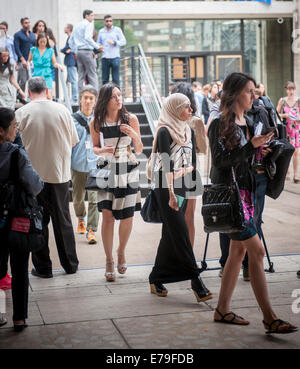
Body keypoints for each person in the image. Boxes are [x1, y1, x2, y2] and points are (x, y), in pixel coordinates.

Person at [208, 72, 297, 334]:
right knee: (256, 252)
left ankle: (222, 309)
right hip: (233, 199)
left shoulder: (248, 120)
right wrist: (251, 146)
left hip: (250, 194)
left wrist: (262, 150)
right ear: (235, 93)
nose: (254, 96)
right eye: (249, 91)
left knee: (238, 253)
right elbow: (221, 162)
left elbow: (245, 158)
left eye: (254, 91)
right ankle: (269, 318)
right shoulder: (219, 123)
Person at [148, 93, 212, 302]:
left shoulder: (188, 131)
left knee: (170, 233)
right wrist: (172, 192)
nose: (191, 110)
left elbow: (193, 162)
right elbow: (165, 165)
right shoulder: (165, 131)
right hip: (166, 188)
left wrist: (183, 173)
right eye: (186, 107)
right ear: (175, 109)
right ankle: (196, 282)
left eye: (190, 106)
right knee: (181, 230)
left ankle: (156, 277)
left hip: (183, 185)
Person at [15, 77, 79, 278]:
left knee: (37, 221)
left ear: (28, 91)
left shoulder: (21, 113)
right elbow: (73, 142)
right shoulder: (62, 110)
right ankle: (70, 265)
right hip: (59, 174)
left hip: (32, 178)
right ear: (47, 90)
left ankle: (43, 268)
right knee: (64, 221)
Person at [90, 83, 143, 282]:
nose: (119, 99)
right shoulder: (96, 121)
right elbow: (94, 146)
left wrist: (134, 135)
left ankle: (121, 251)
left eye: (120, 95)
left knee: (127, 216)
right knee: (108, 216)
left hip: (127, 168)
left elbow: (139, 149)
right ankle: (109, 259)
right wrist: (101, 151)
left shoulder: (131, 119)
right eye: (114, 96)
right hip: (106, 168)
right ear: (105, 100)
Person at [0, 107, 43, 331]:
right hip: (17, 219)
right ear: (2, 130)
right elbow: (35, 185)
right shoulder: (17, 153)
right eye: (14, 125)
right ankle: (19, 317)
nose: (17, 128)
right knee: (19, 268)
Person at [171, 82, 206, 247]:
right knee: (189, 216)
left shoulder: (166, 121)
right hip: (189, 171)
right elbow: (202, 148)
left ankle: (183, 256)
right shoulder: (196, 121)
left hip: (177, 172)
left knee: (176, 217)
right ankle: (189, 256)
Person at [71, 85, 99, 244]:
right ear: (80, 100)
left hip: (95, 166)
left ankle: (91, 230)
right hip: (78, 164)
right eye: (85, 97)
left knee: (95, 200)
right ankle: (81, 218)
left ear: (95, 102)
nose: (88, 101)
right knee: (78, 198)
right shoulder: (72, 119)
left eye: (91, 98)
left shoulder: (100, 120)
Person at [69, 9, 103, 92]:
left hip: (79, 52)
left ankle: (80, 98)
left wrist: (75, 51)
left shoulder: (77, 25)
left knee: (80, 76)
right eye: (92, 15)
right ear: (86, 16)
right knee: (92, 74)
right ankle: (96, 97)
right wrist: (97, 47)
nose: (93, 18)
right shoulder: (88, 24)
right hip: (87, 52)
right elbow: (88, 38)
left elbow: (70, 41)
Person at [28, 33, 63, 101]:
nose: (42, 43)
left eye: (44, 42)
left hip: (47, 74)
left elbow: (54, 63)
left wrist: (59, 65)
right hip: (36, 74)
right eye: (41, 41)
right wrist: (29, 68)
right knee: (36, 95)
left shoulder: (50, 50)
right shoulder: (33, 50)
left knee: (48, 95)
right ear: (37, 41)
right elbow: (28, 61)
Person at [276, 81, 300, 183]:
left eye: (292, 89)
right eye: (289, 89)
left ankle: (296, 174)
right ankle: (286, 172)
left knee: (296, 152)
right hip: (286, 129)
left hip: (296, 128)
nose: (291, 91)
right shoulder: (282, 100)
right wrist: (284, 115)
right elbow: (276, 114)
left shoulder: (298, 100)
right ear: (286, 90)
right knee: (286, 151)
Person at [97, 15, 126, 86]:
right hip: (105, 57)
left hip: (115, 57)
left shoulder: (117, 30)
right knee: (104, 79)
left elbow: (124, 41)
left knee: (115, 79)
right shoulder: (101, 31)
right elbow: (98, 43)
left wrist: (115, 43)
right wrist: (99, 47)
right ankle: (105, 96)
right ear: (104, 22)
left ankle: (116, 95)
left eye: (110, 21)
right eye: (107, 21)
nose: (109, 22)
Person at [13, 17, 36, 93]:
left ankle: (30, 96)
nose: (28, 24)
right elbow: (17, 48)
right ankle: (19, 96)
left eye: (29, 22)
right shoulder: (17, 35)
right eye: (26, 23)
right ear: (22, 24)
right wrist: (22, 59)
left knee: (31, 79)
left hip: (31, 61)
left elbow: (35, 47)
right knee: (22, 79)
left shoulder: (33, 35)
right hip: (22, 61)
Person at [61, 24, 78, 104]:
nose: (64, 28)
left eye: (65, 27)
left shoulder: (71, 37)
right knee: (68, 81)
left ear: (68, 28)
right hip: (69, 62)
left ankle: (75, 98)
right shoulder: (70, 37)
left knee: (73, 81)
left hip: (71, 62)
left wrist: (62, 50)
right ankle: (66, 98)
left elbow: (68, 48)